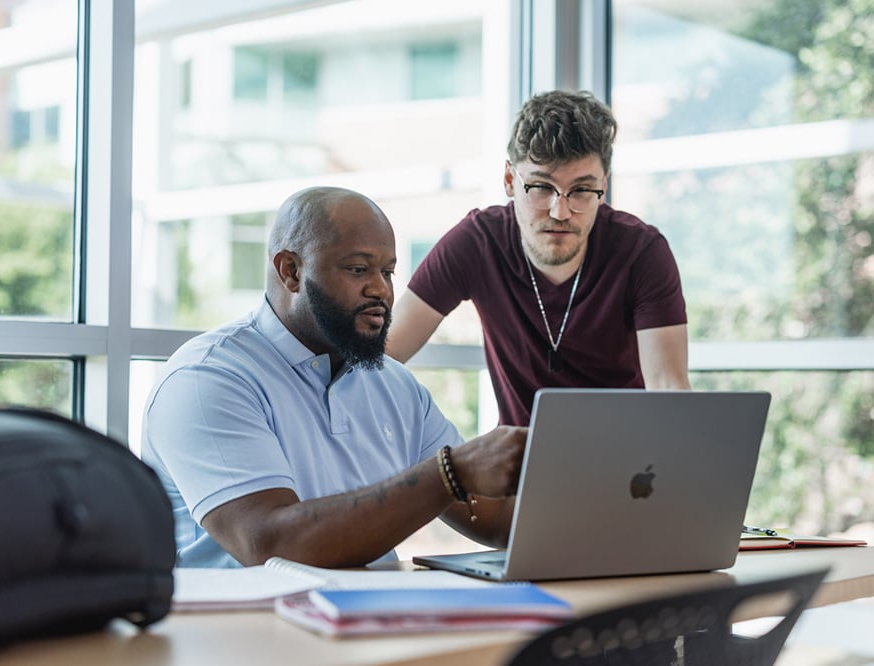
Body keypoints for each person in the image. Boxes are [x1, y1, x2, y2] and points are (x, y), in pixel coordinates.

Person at [141, 186, 527, 569]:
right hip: (242, 626)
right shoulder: (208, 378)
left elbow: (491, 517)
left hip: (375, 622)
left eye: (388, 271)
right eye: (358, 269)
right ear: (290, 271)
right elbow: (270, 543)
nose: (381, 290)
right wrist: (448, 474)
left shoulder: (396, 386)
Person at [387, 90, 691, 426]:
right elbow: (385, 354)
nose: (561, 211)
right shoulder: (478, 242)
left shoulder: (642, 252)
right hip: (518, 465)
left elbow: (669, 390)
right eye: (541, 187)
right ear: (509, 180)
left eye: (581, 190)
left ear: (603, 185)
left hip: (625, 462)